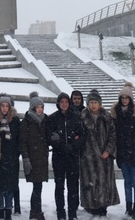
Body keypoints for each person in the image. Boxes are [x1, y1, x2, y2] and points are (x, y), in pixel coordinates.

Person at [79, 89, 120, 218]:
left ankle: (103, 206)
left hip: (104, 156)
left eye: (95, 102)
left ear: (100, 104)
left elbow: (113, 135)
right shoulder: (82, 117)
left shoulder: (107, 117)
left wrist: (108, 150)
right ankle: (91, 205)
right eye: (91, 102)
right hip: (88, 157)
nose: (93, 105)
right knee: (90, 182)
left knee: (104, 182)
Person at [47, 92, 85, 220]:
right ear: (58, 103)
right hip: (59, 156)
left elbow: (82, 136)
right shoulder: (53, 118)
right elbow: (49, 137)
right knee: (59, 186)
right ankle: (60, 213)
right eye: (62, 102)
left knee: (73, 186)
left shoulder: (76, 117)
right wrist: (60, 145)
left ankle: (72, 213)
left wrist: (73, 145)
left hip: (73, 156)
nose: (64, 104)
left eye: (66, 102)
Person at [111, 82, 135, 220]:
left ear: (130, 99)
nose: (125, 100)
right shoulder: (117, 115)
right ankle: (128, 207)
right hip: (123, 152)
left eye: (127, 97)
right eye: (122, 97)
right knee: (127, 182)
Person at [19, 92, 49, 220]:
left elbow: (48, 137)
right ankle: (35, 212)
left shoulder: (45, 120)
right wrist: (26, 158)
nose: (40, 109)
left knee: (39, 187)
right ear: (32, 108)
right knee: (37, 186)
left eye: (42, 107)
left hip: (42, 158)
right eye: (38, 107)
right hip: (32, 158)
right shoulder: (27, 121)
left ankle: (37, 211)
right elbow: (23, 142)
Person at [0, 94, 21, 220]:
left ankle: (8, 212)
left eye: (7, 106)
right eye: (2, 106)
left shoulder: (15, 121)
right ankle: (0, 212)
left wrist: (16, 153)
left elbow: (19, 139)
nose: (4, 108)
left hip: (11, 158)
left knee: (9, 187)